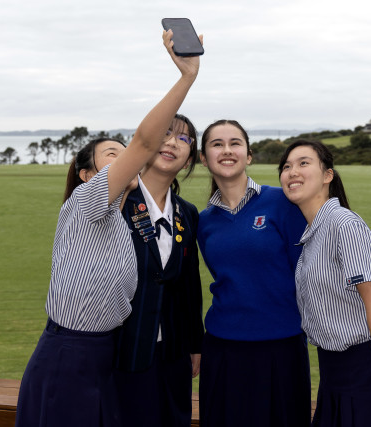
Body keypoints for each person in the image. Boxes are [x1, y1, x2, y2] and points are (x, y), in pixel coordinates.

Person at [15, 28, 202, 427]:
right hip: (71, 353)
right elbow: (144, 143)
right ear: (88, 175)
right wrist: (187, 77)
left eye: (123, 155)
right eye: (112, 156)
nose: (125, 161)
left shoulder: (116, 220)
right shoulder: (86, 203)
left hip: (105, 354)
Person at [278, 139, 371, 427]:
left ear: (327, 175)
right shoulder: (313, 234)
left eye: (303, 163)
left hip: (368, 372)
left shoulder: (344, 225)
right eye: (286, 166)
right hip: (333, 373)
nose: (292, 172)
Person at [196, 120, 311, 427]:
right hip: (222, 348)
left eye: (235, 143)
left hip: (280, 347)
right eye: (217, 144)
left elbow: (306, 273)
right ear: (204, 158)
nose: (226, 150)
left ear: (248, 155)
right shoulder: (204, 221)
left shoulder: (282, 202)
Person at [113, 113, 204, 427]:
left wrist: (195, 344)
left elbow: (189, 284)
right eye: (165, 133)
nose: (173, 143)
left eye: (184, 138)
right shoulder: (117, 202)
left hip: (174, 354)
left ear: (189, 159)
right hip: (122, 350)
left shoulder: (187, 213)